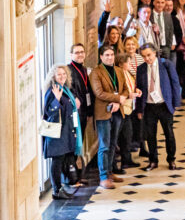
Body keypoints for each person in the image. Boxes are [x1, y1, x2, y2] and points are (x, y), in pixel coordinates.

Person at [90, 44, 133, 189]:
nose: (110, 57)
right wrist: (117, 99)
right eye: (106, 55)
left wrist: (120, 99)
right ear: (101, 57)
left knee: (113, 143)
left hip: (117, 111)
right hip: (104, 112)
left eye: (111, 55)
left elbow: (126, 89)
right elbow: (99, 93)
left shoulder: (119, 71)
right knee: (104, 145)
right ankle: (103, 177)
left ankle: (109, 172)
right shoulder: (96, 72)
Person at [135, 44, 182, 171]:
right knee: (150, 135)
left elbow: (175, 83)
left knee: (169, 133)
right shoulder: (141, 69)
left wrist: (176, 103)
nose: (147, 59)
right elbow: (138, 90)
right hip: (149, 106)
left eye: (149, 55)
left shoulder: (166, 65)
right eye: (144, 56)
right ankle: (153, 160)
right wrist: (139, 109)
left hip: (164, 105)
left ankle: (171, 159)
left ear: (155, 53)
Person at [42, 65, 83, 200]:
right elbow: (49, 113)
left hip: (65, 132)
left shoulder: (65, 89)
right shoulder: (52, 91)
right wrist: (57, 100)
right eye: (59, 75)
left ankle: (61, 186)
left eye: (64, 74)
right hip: (56, 134)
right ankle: (56, 190)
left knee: (62, 159)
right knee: (57, 160)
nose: (62, 77)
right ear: (53, 76)